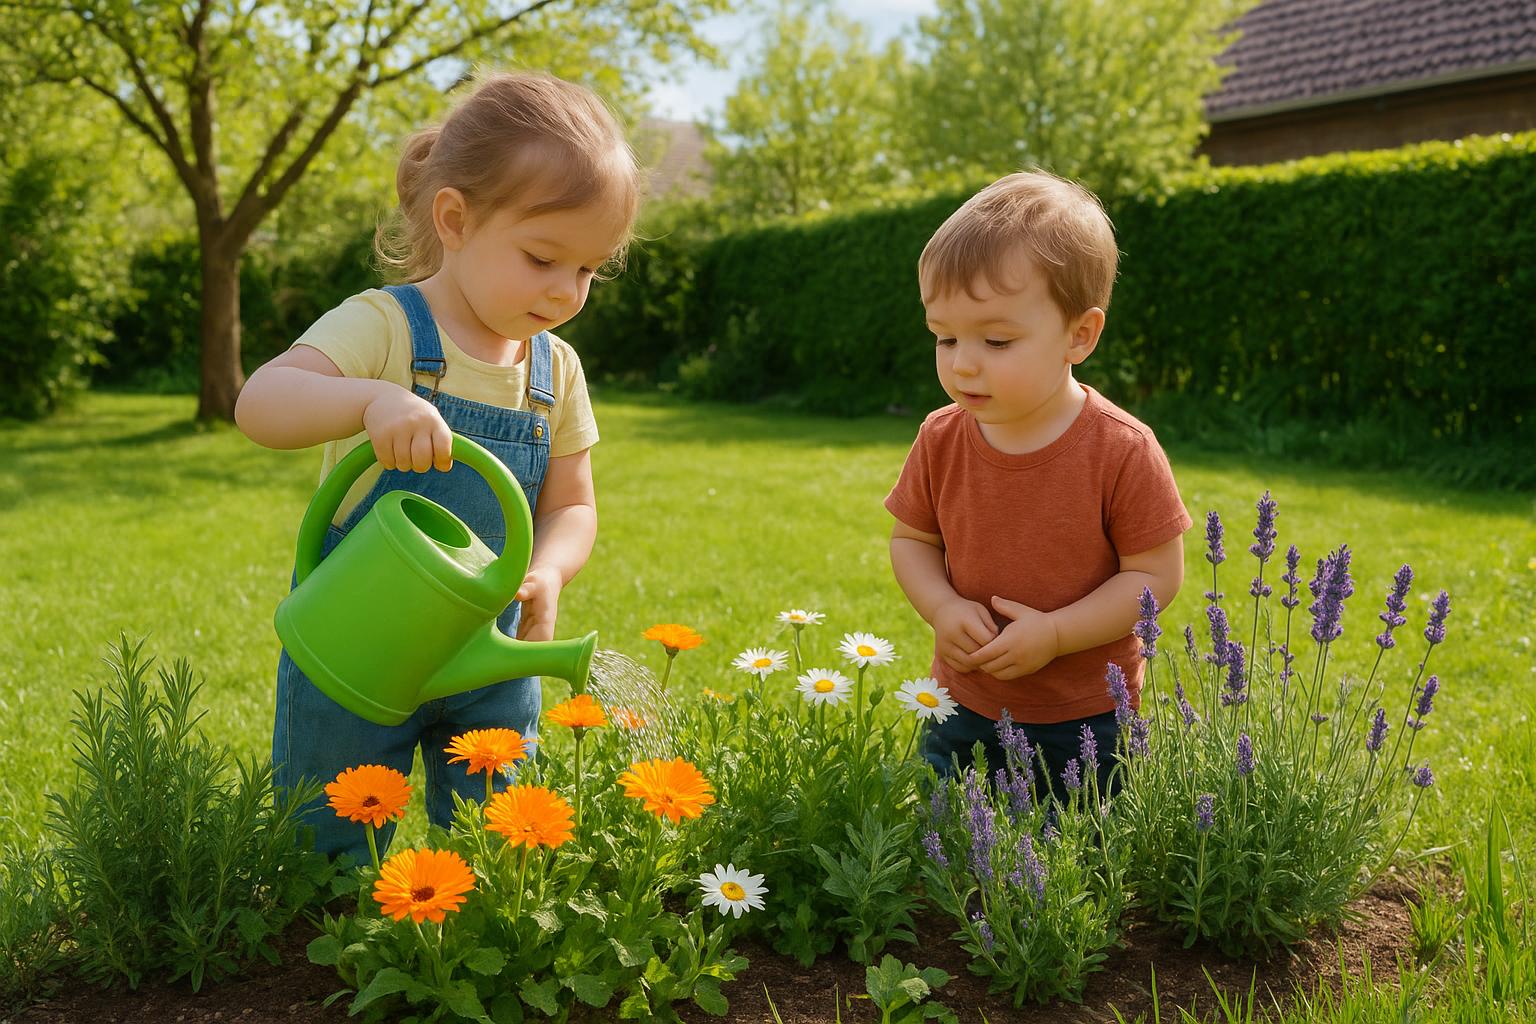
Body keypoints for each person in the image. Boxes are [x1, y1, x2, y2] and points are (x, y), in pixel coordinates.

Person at [235, 70, 637, 861]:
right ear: (454, 219)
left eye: (589, 270)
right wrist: (368, 404)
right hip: (357, 646)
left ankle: (468, 967)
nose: (565, 292)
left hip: (487, 650)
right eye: (542, 258)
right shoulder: (384, 327)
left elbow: (572, 505)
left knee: (502, 855)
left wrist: (550, 571)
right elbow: (263, 402)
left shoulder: (555, 372)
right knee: (329, 854)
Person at [884, 170, 1191, 802]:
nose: (963, 360)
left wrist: (1056, 633)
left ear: (1080, 335)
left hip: (1086, 718)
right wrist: (942, 608)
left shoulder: (1120, 449)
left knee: (1079, 863)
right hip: (964, 699)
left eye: (996, 339)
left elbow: (1155, 576)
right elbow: (912, 540)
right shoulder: (942, 437)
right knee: (949, 855)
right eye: (944, 336)